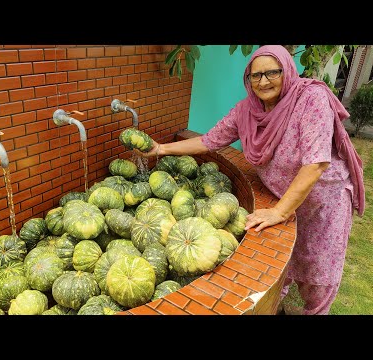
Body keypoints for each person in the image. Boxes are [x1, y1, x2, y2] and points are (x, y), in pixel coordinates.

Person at [136, 45, 365, 315]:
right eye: (255, 76)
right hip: (285, 195)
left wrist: (280, 211)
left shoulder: (311, 99)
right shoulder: (247, 110)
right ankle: (275, 303)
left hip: (324, 201)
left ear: (287, 70)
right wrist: (161, 149)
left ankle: (315, 311)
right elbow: (209, 140)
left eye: (272, 72)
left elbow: (316, 164)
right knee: (287, 260)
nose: (263, 81)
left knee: (319, 265)